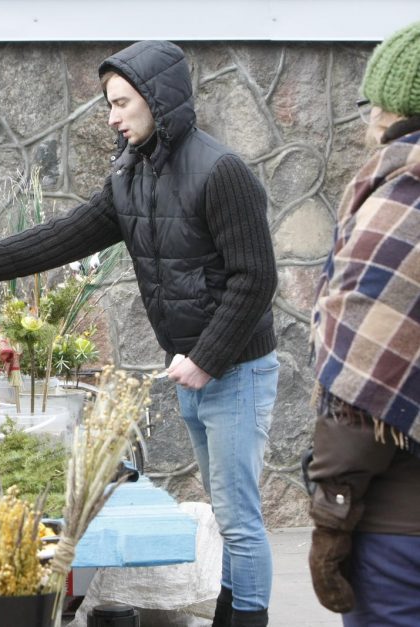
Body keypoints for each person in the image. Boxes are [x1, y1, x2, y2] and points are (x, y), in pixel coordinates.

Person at [0, 41, 279, 627]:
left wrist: (208, 360)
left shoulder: (222, 172)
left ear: (157, 102)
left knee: (238, 517)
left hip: (234, 370)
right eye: (109, 104)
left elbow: (256, 277)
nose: (112, 117)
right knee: (224, 513)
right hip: (194, 366)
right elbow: (66, 235)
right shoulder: (131, 173)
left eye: (120, 103)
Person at [307, 21, 420, 627]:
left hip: (404, 537)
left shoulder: (403, 198)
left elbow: (362, 387)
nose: (367, 121)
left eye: (374, 105)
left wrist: (331, 519)